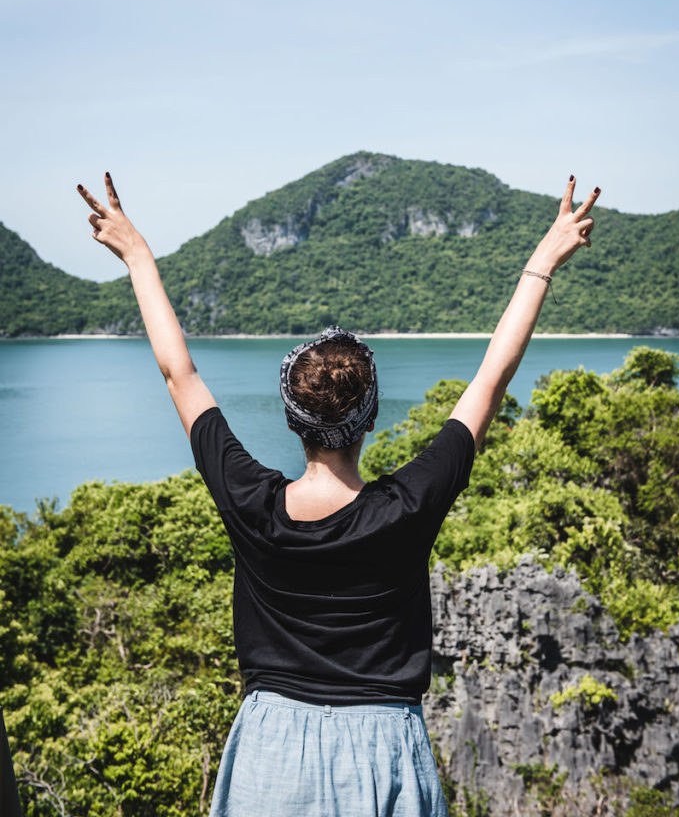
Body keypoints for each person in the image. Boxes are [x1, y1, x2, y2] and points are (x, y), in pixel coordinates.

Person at [77, 172, 599, 817]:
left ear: (292, 420)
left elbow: (178, 372)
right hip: (384, 750)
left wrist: (137, 255)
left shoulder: (251, 502)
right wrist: (543, 261)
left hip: (270, 750)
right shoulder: (407, 506)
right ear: (370, 418)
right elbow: (492, 377)